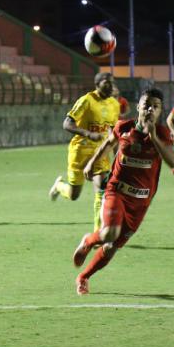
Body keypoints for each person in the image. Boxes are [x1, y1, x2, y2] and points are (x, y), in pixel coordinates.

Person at [72, 88, 174, 295]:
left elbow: (173, 162)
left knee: (111, 248)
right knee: (109, 233)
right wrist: (92, 163)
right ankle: (88, 241)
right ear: (138, 107)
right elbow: (107, 144)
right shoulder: (124, 127)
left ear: (160, 111)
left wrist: (153, 136)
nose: (150, 109)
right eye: (146, 105)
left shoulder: (162, 134)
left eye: (155, 106)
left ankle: (83, 277)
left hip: (140, 201)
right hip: (116, 191)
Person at [48, 72, 120, 230]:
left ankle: (98, 232)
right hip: (80, 152)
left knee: (101, 188)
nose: (110, 86)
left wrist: (117, 155)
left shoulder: (114, 105)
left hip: (100, 153)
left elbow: (113, 133)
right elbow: (67, 124)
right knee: (74, 195)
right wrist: (88, 134)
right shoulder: (86, 100)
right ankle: (59, 186)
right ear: (97, 85)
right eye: (106, 83)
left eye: (112, 83)